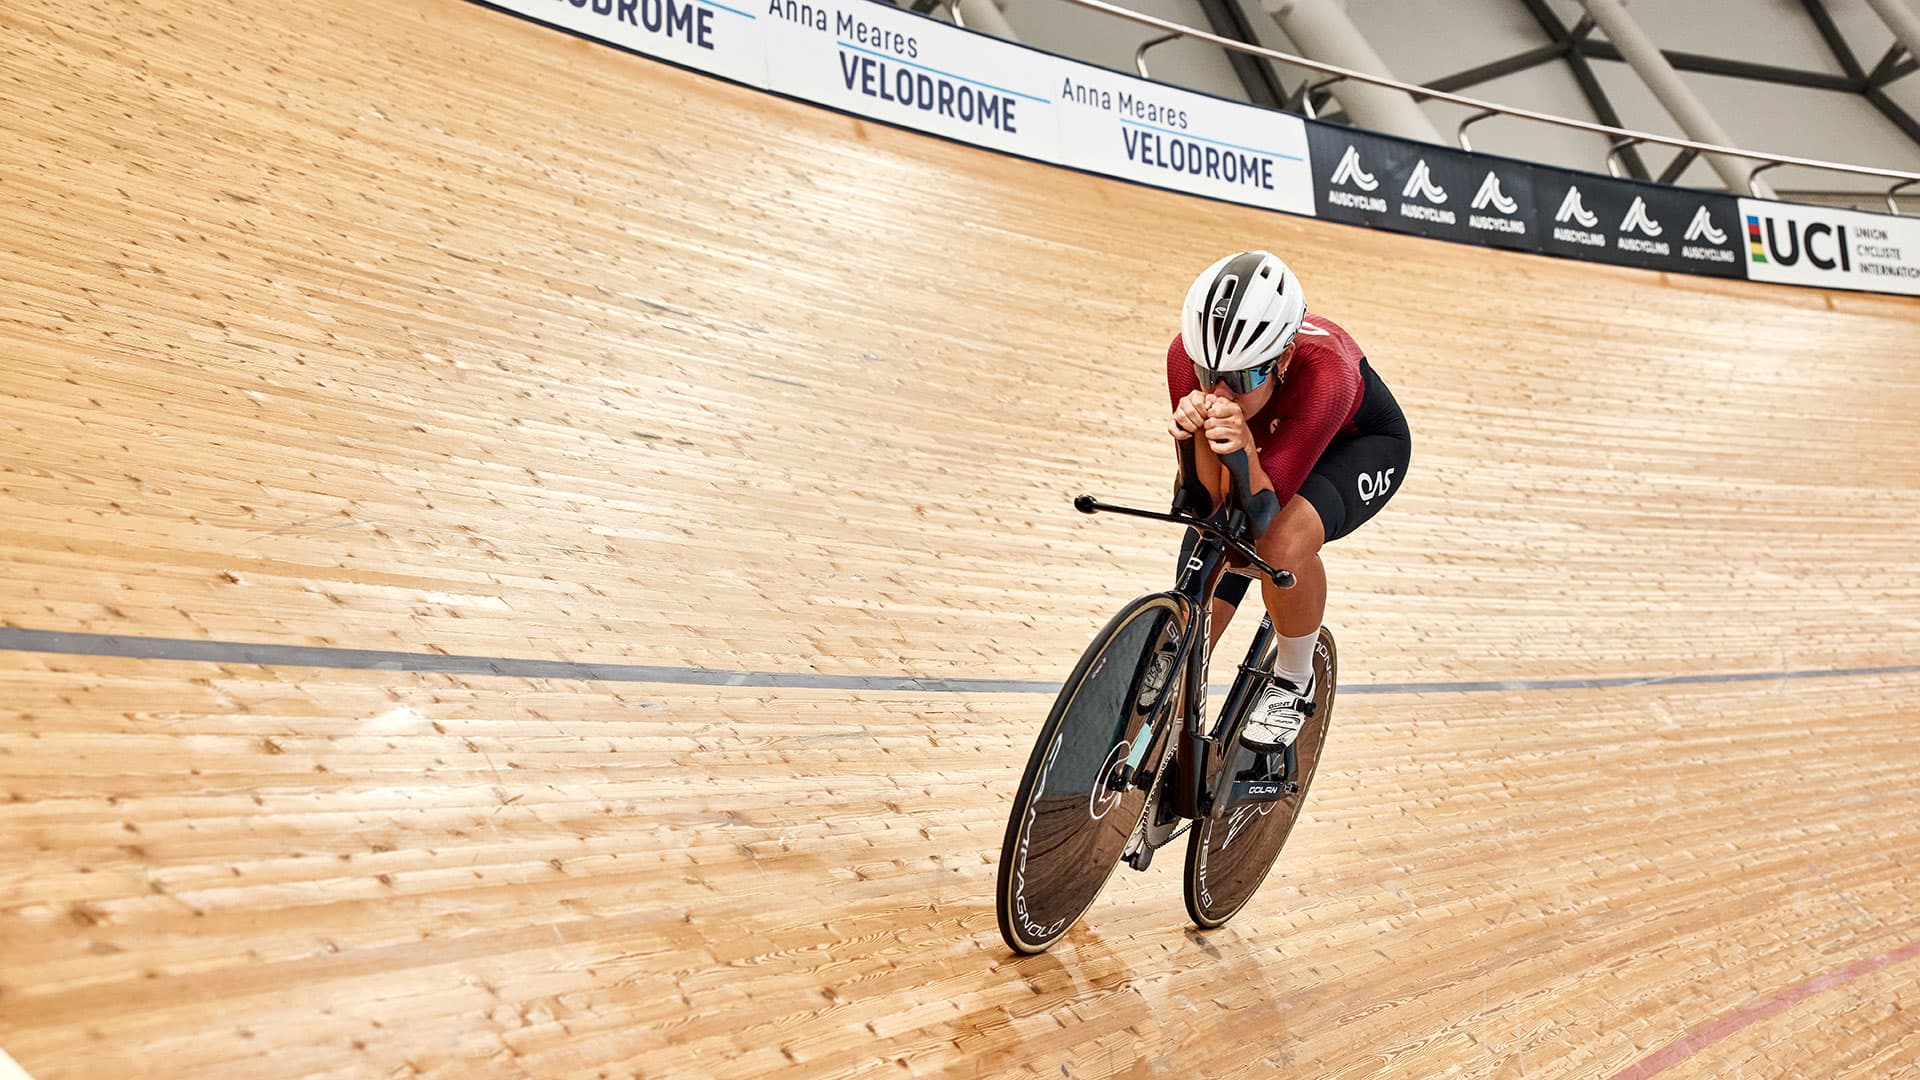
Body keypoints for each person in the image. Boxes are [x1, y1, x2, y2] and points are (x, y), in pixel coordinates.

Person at [1166, 250, 1411, 753]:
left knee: (1277, 546)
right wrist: (1191, 441)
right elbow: (1202, 506)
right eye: (1206, 373)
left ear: (1282, 359)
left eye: (1241, 379)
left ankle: (1293, 681)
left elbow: (1261, 512)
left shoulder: (1328, 376)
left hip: (1353, 445)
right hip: (1270, 437)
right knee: (1211, 555)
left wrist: (1245, 445)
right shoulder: (1181, 360)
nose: (1218, 392)